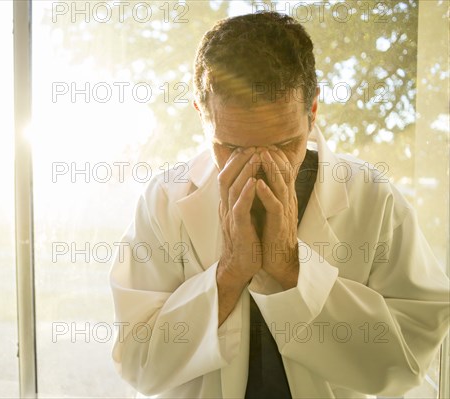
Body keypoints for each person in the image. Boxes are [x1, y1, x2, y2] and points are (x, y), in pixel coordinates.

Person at [110, 11, 449, 398]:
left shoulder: (372, 197)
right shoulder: (164, 201)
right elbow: (139, 365)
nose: (259, 166)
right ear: (201, 115)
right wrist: (228, 277)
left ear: (313, 110)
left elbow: (407, 361)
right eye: (233, 148)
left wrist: (291, 269)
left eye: (284, 145)